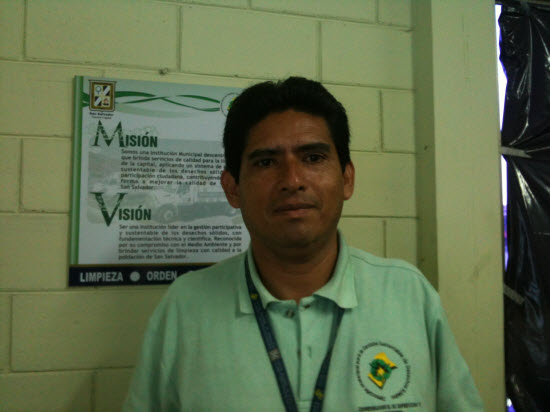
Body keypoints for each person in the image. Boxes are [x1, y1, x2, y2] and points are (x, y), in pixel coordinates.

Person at [123, 77, 484, 411]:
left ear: (346, 179)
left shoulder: (409, 295)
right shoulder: (184, 309)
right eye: (266, 162)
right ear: (233, 189)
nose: (292, 180)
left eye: (313, 158)